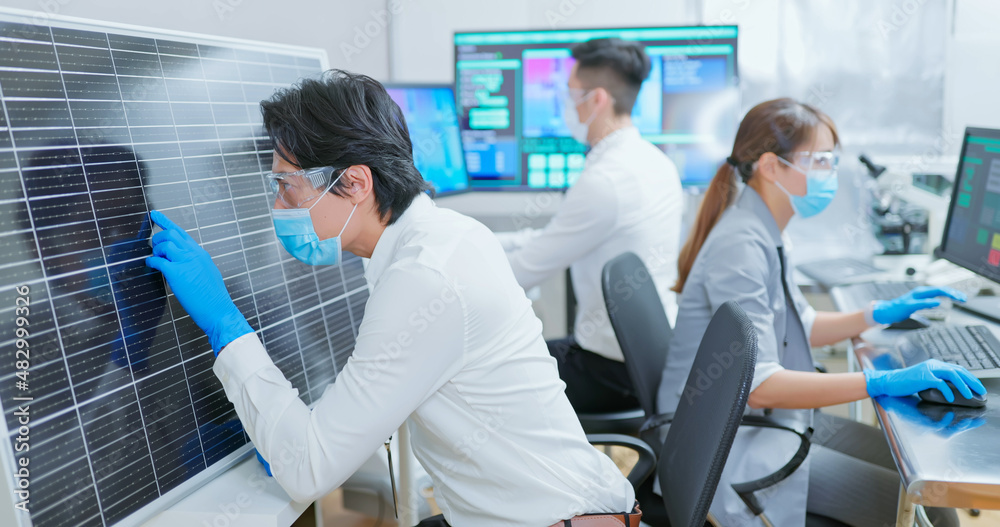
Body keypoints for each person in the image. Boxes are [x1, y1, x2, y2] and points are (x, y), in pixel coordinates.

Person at [144, 70, 640, 527]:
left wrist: (225, 324)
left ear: (355, 182)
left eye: (286, 186)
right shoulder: (439, 234)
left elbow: (307, 471)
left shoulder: (425, 277)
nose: (278, 207)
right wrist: (282, 426)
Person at [655, 98, 984, 526]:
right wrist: (878, 381)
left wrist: (877, 314)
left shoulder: (765, 230)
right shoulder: (741, 245)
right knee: (932, 515)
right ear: (772, 167)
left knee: (931, 494)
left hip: (757, 421)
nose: (829, 172)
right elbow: (759, 385)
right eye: (820, 160)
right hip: (724, 442)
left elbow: (799, 325)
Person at [496, 38, 682, 414]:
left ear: (596, 99)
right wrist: (483, 240)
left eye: (568, 94)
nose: (564, 104)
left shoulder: (607, 180)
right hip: (649, 355)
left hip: (611, 372)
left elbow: (523, 272)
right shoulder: (652, 161)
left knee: (488, 376)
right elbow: (556, 238)